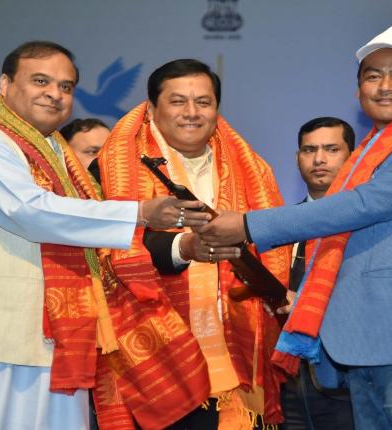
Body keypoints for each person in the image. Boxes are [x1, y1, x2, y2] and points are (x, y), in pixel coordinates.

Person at [196, 24, 392, 428]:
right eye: (373, 76)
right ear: (358, 90)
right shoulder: (364, 157)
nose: (385, 85)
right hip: (360, 351)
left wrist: (247, 224)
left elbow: (363, 206)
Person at [0, 41, 209, 430]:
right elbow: (28, 210)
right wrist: (137, 212)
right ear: (4, 84)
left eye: (66, 87)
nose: (55, 93)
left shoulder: (61, 161)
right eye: (40, 81)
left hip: (57, 347)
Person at [92, 59, 290, 429]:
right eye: (178, 101)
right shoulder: (112, 168)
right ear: (152, 109)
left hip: (239, 355)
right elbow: (108, 245)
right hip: (153, 360)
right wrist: (184, 248)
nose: (192, 113)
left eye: (203, 102)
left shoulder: (253, 171)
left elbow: (272, 246)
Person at [281, 117, 355, 430]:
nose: (319, 159)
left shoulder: (369, 224)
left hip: (349, 380)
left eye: (331, 149)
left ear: (352, 156)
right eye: (309, 150)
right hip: (286, 381)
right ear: (298, 158)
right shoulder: (281, 225)